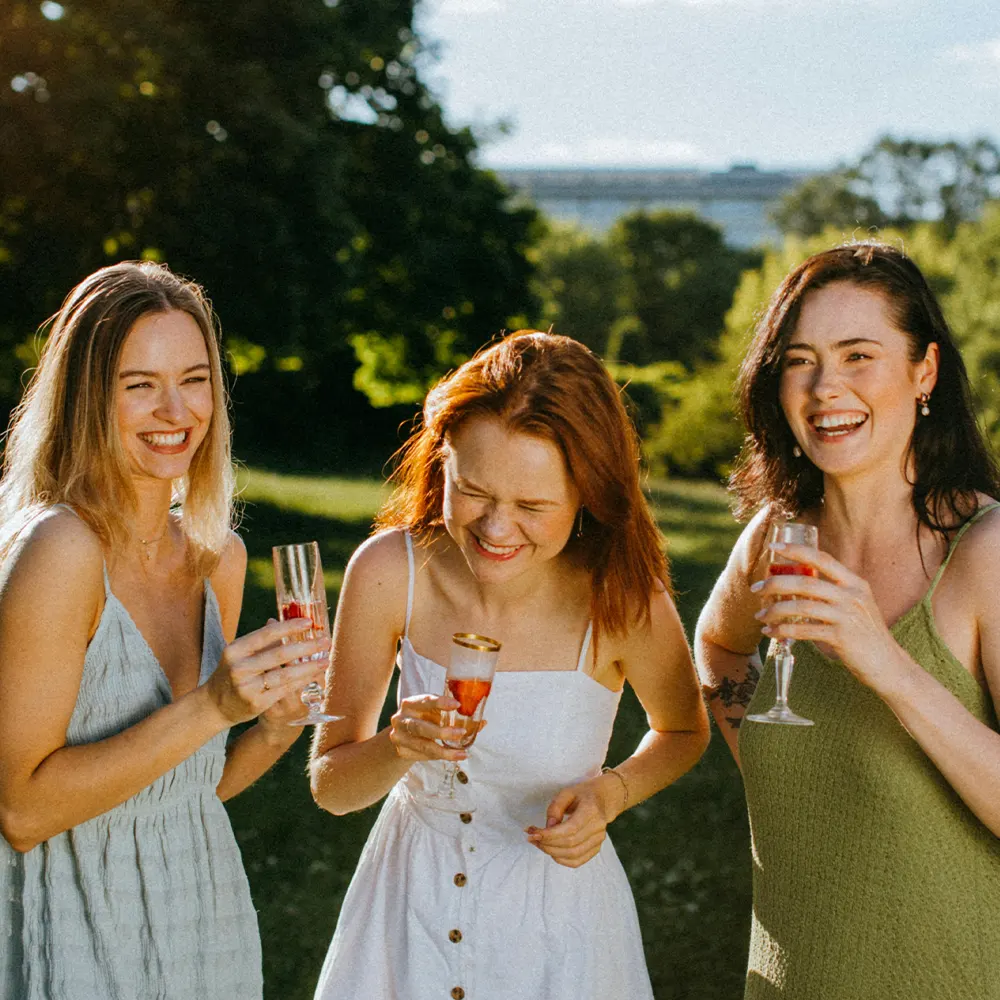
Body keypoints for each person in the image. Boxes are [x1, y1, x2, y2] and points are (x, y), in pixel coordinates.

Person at [308, 331, 709, 1000]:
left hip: (559, 942)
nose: (496, 529)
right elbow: (332, 786)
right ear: (443, 464)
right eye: (475, 493)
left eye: (532, 507)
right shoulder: (388, 572)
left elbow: (684, 731)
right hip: (405, 923)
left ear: (589, 494)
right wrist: (395, 746)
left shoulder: (623, 600)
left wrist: (612, 793)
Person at [0, 261, 330, 999]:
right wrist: (212, 705)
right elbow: (21, 811)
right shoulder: (60, 551)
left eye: (194, 378)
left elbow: (189, 789)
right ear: (89, 397)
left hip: (204, 930)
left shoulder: (219, 557)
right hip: (80, 937)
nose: (175, 410)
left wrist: (272, 725)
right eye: (138, 384)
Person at [696, 242, 1000, 1000]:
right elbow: (718, 644)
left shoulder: (986, 552)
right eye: (801, 359)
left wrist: (886, 662)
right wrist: (769, 745)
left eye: (858, 355)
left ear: (924, 371)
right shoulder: (777, 535)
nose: (826, 387)